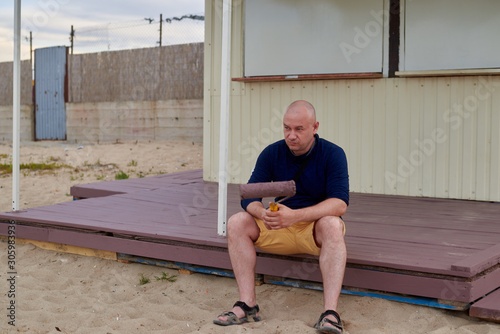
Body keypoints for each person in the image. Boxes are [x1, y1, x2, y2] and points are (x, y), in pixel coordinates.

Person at [213, 100, 349, 334]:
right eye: (287, 128)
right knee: (236, 222)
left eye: (299, 129)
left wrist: (296, 216)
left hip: (311, 229)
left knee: (333, 224)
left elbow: (339, 203)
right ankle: (247, 305)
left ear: (315, 127)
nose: (291, 135)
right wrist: (262, 212)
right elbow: (249, 197)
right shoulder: (272, 153)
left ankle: (330, 313)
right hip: (278, 226)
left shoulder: (333, 154)